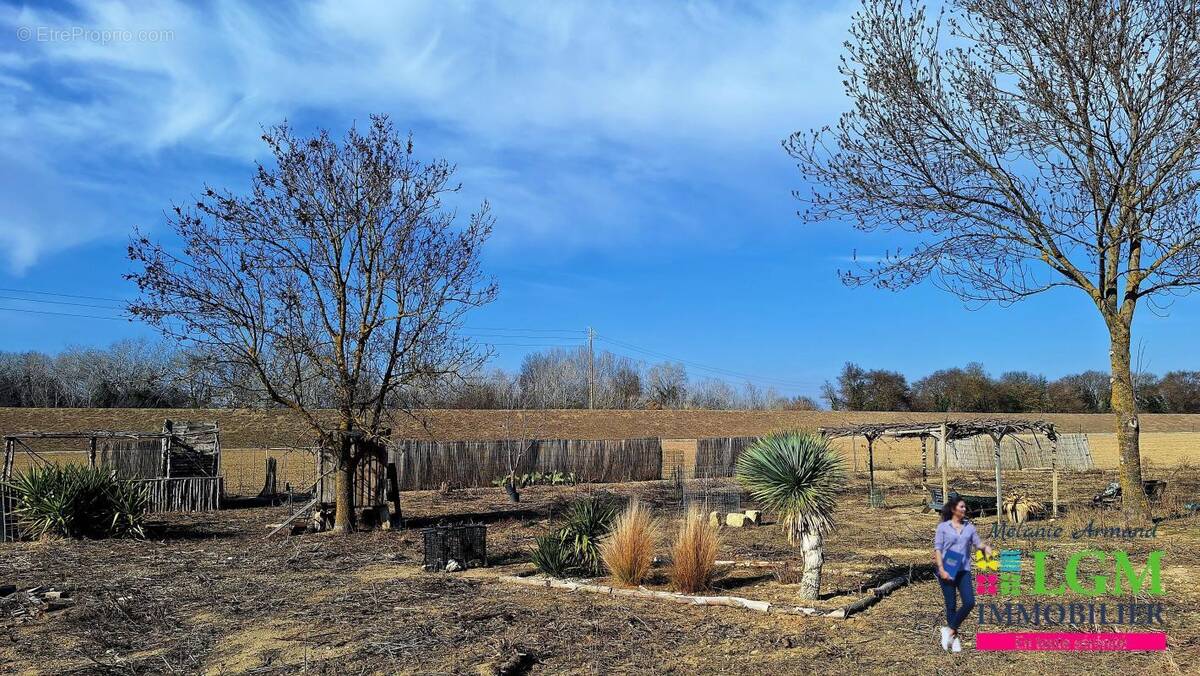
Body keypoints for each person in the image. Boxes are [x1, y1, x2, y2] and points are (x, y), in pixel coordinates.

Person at [933, 496, 992, 653]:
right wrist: (941, 569)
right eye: (961, 507)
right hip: (947, 569)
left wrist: (984, 548)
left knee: (969, 602)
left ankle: (949, 630)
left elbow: (977, 544)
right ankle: (954, 639)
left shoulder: (969, 528)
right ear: (953, 509)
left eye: (965, 507)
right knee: (951, 605)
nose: (964, 509)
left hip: (963, 569)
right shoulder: (943, 528)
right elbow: (937, 549)